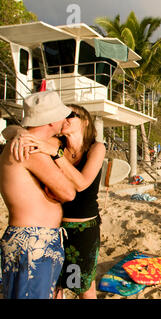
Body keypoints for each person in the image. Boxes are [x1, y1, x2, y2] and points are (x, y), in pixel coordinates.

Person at [8, 103, 106, 299]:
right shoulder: (56, 142)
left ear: (85, 121)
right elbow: (7, 130)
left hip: (83, 230)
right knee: (55, 286)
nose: (66, 118)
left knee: (81, 286)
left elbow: (82, 183)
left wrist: (56, 155)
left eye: (71, 114)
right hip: (55, 231)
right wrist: (20, 132)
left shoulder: (96, 147)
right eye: (63, 114)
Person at [0, 91, 77, 299]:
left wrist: (17, 131)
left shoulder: (23, 142)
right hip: (33, 242)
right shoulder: (30, 148)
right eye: (62, 116)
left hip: (35, 240)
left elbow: (9, 131)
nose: (65, 120)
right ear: (51, 121)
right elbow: (68, 192)